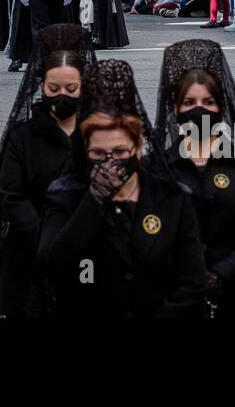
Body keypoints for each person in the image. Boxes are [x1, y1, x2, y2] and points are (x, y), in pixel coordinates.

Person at [38, 59, 207, 317]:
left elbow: (192, 281)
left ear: (137, 149)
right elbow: (53, 263)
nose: (109, 161)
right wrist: (94, 200)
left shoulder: (172, 197)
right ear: (85, 152)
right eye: (98, 153)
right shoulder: (64, 197)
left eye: (119, 152)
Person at [154, 40, 235, 317]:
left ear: (221, 107)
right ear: (175, 109)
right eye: (189, 102)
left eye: (208, 102)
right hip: (176, 296)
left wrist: (223, 272)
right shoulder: (159, 166)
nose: (199, 109)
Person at [0, 24, 93, 318]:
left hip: (86, 253)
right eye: (53, 89)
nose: (62, 96)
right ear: (41, 86)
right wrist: (47, 238)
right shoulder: (23, 136)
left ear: (84, 87)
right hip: (29, 252)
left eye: (71, 89)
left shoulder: (97, 135)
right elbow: (11, 195)